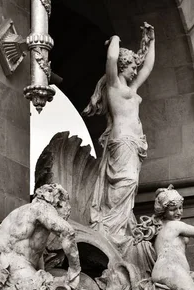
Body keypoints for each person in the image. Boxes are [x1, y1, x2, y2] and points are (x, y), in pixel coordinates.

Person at [82, 22, 155, 246]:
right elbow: (111, 59)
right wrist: (114, 39)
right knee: (127, 181)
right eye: (132, 66)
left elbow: (148, 68)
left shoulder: (131, 90)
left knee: (131, 184)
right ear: (123, 66)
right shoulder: (114, 86)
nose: (135, 71)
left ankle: (120, 228)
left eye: (135, 67)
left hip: (135, 144)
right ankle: (110, 228)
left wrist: (152, 40)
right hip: (122, 141)